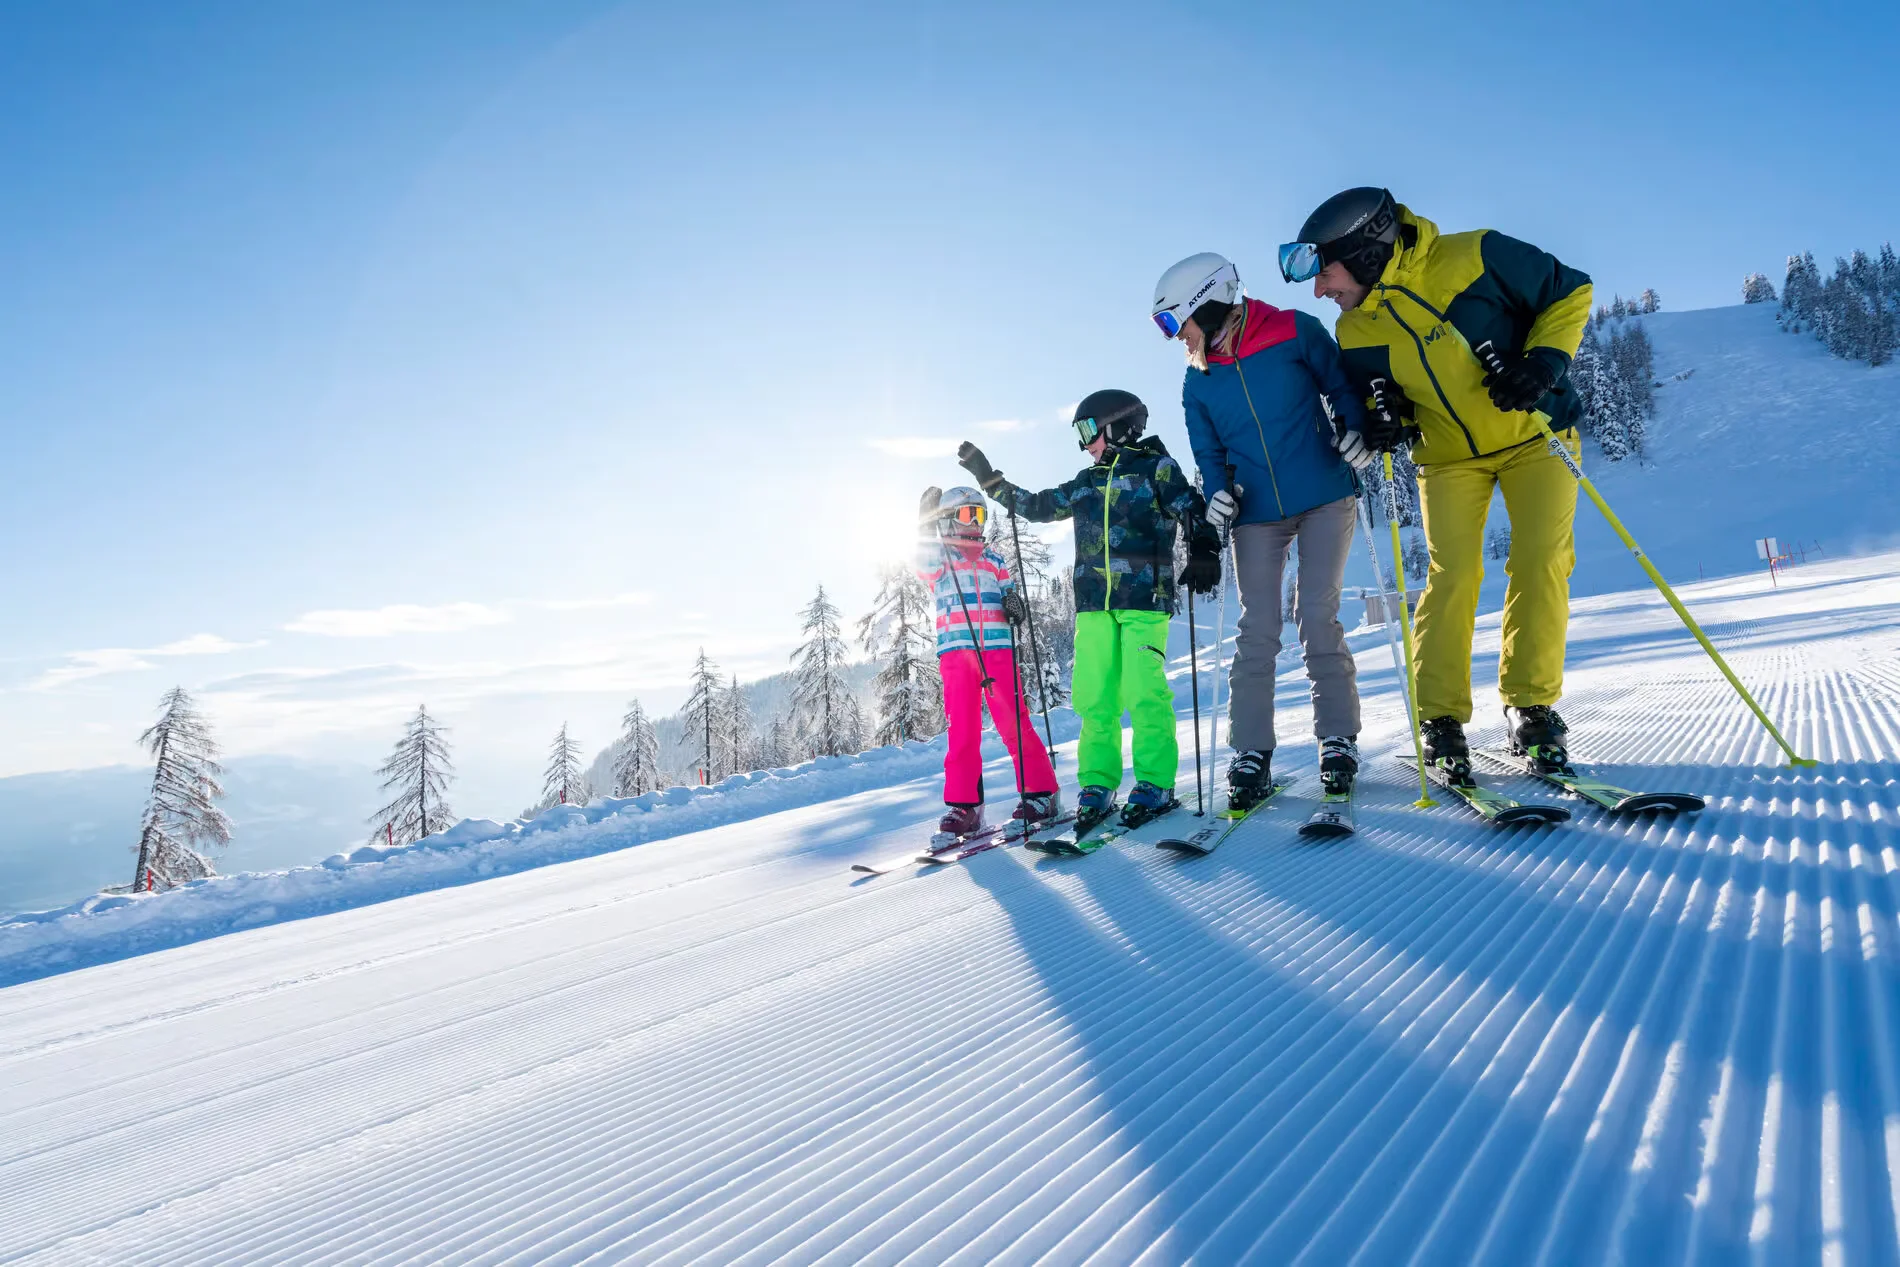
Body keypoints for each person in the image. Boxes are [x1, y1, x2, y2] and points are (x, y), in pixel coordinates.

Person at [1281, 187, 1593, 773]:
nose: (1321, 291)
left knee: (1540, 559)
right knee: (1452, 575)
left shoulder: (1475, 255)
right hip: (1448, 458)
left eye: (1325, 274)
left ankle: (1532, 707)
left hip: (1534, 433)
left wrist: (1543, 363)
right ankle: (1440, 717)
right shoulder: (1354, 329)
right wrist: (1384, 421)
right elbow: (1385, 401)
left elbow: (1570, 289)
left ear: (1367, 252)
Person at [1151, 251, 1373, 809]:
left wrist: (1355, 429)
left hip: (1325, 492)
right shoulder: (1196, 383)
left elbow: (1343, 390)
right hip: (1257, 514)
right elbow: (1210, 456)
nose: (1177, 338)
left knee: (1317, 614)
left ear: (1210, 301)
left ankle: (1338, 740)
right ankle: (1251, 751)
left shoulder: (1296, 331)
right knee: (1258, 629)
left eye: (1178, 323)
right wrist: (1218, 497)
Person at [956, 390, 1220, 829]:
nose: (1085, 443)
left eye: (1088, 431)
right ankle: (1098, 783)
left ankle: (1155, 781)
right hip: (1094, 606)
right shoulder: (1086, 482)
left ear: (1117, 424)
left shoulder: (1157, 468)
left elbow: (1191, 509)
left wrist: (1204, 545)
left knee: (1143, 690)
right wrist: (990, 480)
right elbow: (1037, 506)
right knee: (1095, 698)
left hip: (1144, 602)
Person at [917, 486, 1060, 838]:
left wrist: (1014, 605)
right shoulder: (941, 559)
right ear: (949, 520)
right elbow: (922, 567)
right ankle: (965, 805)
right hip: (956, 654)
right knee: (962, 730)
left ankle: (1041, 793)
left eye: (980, 515)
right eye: (967, 515)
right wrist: (924, 527)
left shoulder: (994, 560)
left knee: (1013, 722)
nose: (975, 523)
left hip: (996, 653)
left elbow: (1010, 594)